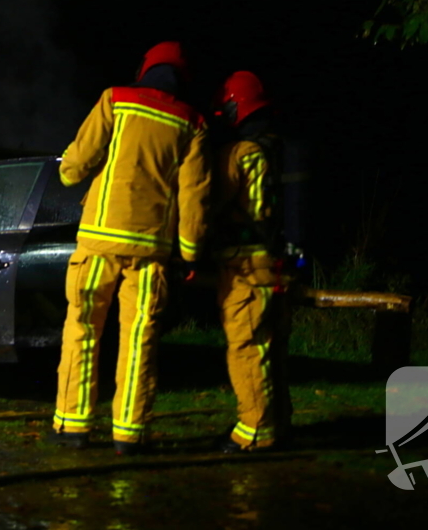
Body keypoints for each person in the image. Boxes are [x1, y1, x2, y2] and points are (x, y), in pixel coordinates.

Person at [52, 41, 210, 455]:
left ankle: (73, 427)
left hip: (98, 243)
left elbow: (76, 166)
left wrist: (68, 171)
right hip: (150, 252)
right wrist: (191, 254)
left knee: (82, 331)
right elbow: (195, 197)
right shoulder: (192, 123)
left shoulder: (116, 100)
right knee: (139, 341)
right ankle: (129, 433)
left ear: (146, 68)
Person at [212, 70, 293, 453]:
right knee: (271, 349)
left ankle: (256, 429)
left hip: (246, 266)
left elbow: (212, 204)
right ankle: (280, 421)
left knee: (246, 346)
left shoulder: (241, 153)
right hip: (278, 264)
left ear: (234, 107)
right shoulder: (279, 148)